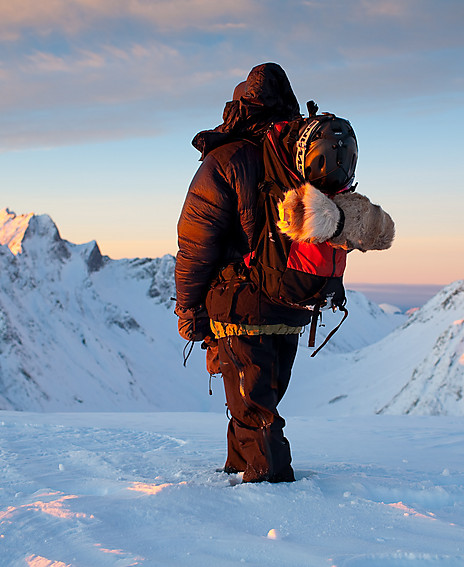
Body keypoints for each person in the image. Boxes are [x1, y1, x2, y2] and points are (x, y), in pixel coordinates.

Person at [175, 63, 393, 483]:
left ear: (239, 107)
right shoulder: (296, 160)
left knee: (253, 407)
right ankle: (237, 474)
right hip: (291, 300)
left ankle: (269, 497)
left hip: (240, 304)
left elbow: (196, 245)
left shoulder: (227, 160)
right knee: (256, 400)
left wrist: (189, 310)